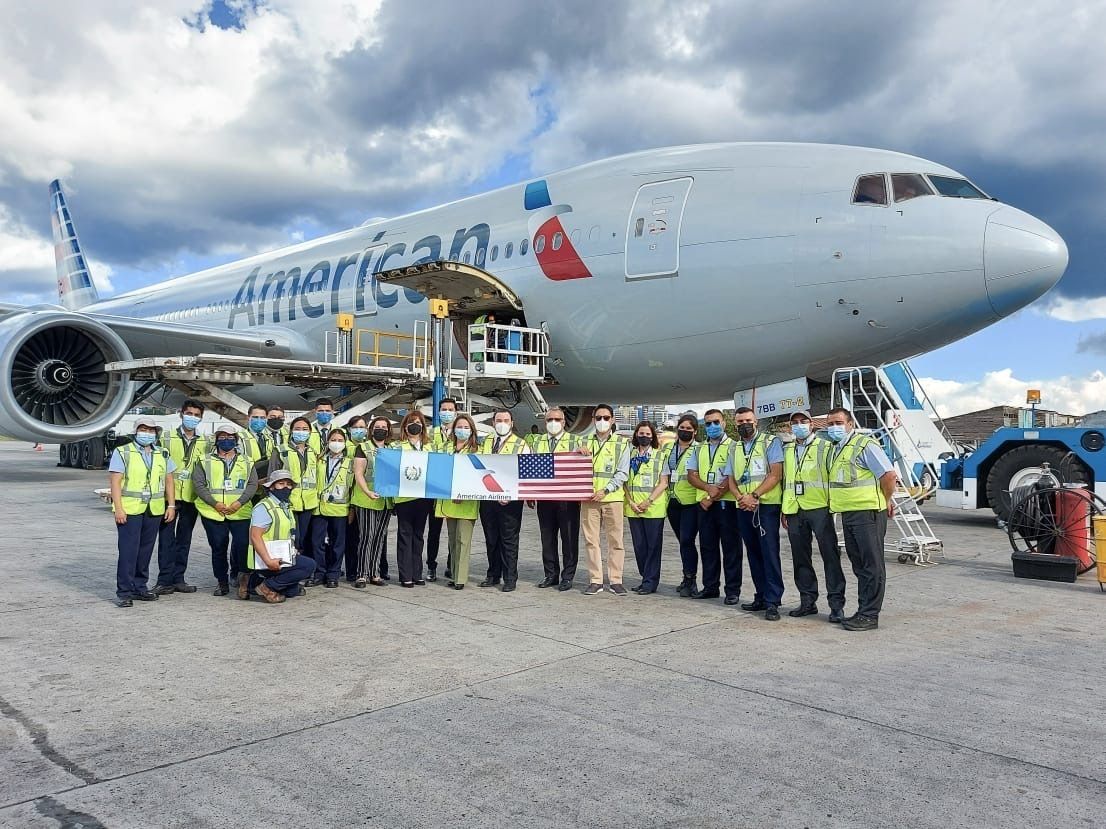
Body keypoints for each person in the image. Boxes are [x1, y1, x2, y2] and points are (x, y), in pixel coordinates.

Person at [825, 407, 899, 631]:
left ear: (850, 425)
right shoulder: (838, 449)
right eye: (830, 424)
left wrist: (884, 500)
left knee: (872, 565)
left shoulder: (865, 445)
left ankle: (869, 615)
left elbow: (888, 476)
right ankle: (863, 609)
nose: (834, 427)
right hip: (849, 513)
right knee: (859, 565)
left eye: (838, 422)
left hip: (868, 513)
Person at [782, 411, 846, 622]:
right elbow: (786, 480)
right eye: (795, 423)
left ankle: (836, 605)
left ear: (811, 424)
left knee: (830, 556)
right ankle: (807, 600)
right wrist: (785, 509)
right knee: (801, 558)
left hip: (820, 508)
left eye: (803, 422)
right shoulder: (788, 449)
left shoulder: (824, 447)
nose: (799, 425)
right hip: (794, 509)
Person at [724, 407, 785, 621]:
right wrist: (741, 497)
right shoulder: (734, 447)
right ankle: (760, 596)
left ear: (756, 421)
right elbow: (730, 478)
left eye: (748, 420)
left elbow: (775, 474)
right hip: (743, 506)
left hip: (765, 506)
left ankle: (773, 601)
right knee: (753, 553)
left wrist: (754, 496)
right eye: (740, 422)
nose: (744, 424)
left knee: (769, 554)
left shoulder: (770, 442)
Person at [109, 417, 176, 607]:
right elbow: (115, 481)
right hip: (130, 509)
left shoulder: (162, 453)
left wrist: (171, 505)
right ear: (136, 431)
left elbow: (169, 480)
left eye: (151, 430)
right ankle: (124, 592)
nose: (147, 433)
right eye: (143, 429)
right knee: (129, 551)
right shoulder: (123, 452)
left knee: (145, 550)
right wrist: (118, 508)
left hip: (153, 508)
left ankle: (140, 586)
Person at [193, 422, 257, 598]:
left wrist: (240, 502)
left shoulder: (246, 460)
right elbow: (198, 484)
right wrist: (215, 503)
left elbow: (252, 484)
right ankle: (222, 582)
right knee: (219, 547)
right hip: (213, 512)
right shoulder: (204, 460)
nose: (226, 440)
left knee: (244, 546)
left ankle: (244, 580)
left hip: (240, 511)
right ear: (216, 440)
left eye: (230, 437)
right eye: (222, 437)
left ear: (236, 440)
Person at [153, 399, 206, 595]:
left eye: (196, 415)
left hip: (191, 497)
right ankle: (164, 580)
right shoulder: (166, 438)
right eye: (189, 413)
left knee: (184, 540)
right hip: (169, 498)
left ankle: (179, 579)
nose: (192, 418)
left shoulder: (205, 442)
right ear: (181, 414)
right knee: (166, 539)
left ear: (201, 418)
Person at [685, 408, 738, 603]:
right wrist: (708, 489)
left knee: (731, 548)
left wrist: (713, 495)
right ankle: (710, 586)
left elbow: (732, 476)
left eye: (716, 422)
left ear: (724, 423)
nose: (712, 426)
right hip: (704, 505)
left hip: (727, 503)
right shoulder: (698, 448)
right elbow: (691, 475)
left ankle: (732, 590)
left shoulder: (734, 446)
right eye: (708, 423)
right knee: (708, 547)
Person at [580, 404, 630, 595]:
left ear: (613, 420)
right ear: (593, 420)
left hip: (612, 498)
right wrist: (578, 452)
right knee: (591, 540)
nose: (602, 421)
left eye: (606, 418)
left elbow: (622, 472)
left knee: (615, 541)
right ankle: (596, 580)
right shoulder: (585, 442)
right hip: (588, 498)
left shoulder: (622, 443)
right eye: (599, 417)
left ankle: (616, 580)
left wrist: (605, 490)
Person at [478, 409, 529, 592]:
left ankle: (510, 577)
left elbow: (525, 474)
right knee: (491, 539)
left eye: (505, 420)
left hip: (510, 500)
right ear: (493, 423)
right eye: (499, 420)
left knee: (509, 540)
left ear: (512, 423)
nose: (502, 423)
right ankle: (493, 574)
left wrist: (509, 494)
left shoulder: (521, 444)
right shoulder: (486, 441)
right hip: (488, 498)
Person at [247, 470, 316, 603]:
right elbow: (255, 537)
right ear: (271, 487)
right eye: (281, 484)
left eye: (288, 484)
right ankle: (266, 586)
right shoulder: (264, 507)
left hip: (282, 555)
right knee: (309, 566)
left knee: (292, 591)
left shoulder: (285, 505)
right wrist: (268, 561)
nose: (285, 487)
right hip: (266, 559)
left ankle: (252, 583)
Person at [531, 407, 581, 591]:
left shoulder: (576, 441)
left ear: (563, 422)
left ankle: (567, 576)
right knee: (547, 539)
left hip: (567, 499)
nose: (553, 422)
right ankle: (550, 574)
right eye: (550, 419)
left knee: (569, 539)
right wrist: (530, 493)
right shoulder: (538, 442)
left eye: (557, 419)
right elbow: (530, 467)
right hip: (544, 498)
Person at [624, 421, 670, 594]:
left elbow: (663, 482)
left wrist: (648, 501)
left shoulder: (660, 456)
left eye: (648, 434)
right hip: (634, 508)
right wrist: (631, 502)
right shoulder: (630, 455)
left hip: (653, 508)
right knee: (639, 546)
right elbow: (625, 483)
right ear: (636, 435)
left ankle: (650, 582)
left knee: (653, 547)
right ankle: (645, 578)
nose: (644, 437)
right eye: (641, 433)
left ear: (653, 437)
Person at [437, 413, 481, 589]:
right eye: (459, 427)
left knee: (463, 540)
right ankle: (454, 575)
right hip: (448, 501)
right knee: (453, 540)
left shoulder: (476, 450)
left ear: (471, 430)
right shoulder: (446, 448)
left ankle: (461, 579)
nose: (462, 430)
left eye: (466, 427)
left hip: (466, 502)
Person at [269, 416, 320, 567]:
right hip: (288, 502)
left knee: (303, 539)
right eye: (297, 429)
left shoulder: (313, 452)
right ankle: (287, 569)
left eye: (305, 429)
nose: (301, 432)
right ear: (291, 431)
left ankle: (301, 567)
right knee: (290, 538)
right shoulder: (281, 450)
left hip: (308, 503)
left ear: (310, 432)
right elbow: (272, 476)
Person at [350, 416, 393, 588]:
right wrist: (367, 491)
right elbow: (358, 472)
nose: (381, 429)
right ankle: (362, 574)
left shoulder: (392, 449)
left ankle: (374, 573)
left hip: (385, 500)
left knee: (379, 537)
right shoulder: (363, 447)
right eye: (377, 426)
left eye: (384, 426)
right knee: (367, 536)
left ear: (388, 430)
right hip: (366, 498)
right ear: (371, 429)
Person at [392, 410, 432, 587]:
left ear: (422, 426)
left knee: (419, 536)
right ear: (405, 427)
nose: (414, 425)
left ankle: (417, 573)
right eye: (410, 423)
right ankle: (405, 575)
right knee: (405, 534)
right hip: (404, 498)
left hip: (423, 497)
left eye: (417, 422)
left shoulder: (429, 447)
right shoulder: (396, 447)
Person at [310, 426, 352, 589]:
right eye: (333, 440)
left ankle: (333, 574)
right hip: (319, 508)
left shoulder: (349, 462)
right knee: (316, 542)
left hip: (340, 509)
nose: (336, 443)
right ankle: (319, 573)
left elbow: (353, 486)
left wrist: (352, 510)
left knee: (337, 544)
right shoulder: (319, 460)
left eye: (340, 440)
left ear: (345, 443)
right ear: (327, 442)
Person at [665, 414, 701, 597]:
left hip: (691, 502)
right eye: (682, 428)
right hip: (673, 501)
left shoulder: (699, 450)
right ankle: (686, 578)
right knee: (682, 542)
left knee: (687, 540)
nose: (684, 431)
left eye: (688, 429)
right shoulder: (669, 449)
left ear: (695, 431)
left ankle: (691, 579)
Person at [425, 397, 459, 581]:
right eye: (443, 409)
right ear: (438, 412)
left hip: (453, 488)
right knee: (434, 531)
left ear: (456, 412)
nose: (446, 412)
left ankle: (451, 564)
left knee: (454, 530)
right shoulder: (431, 433)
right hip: (434, 488)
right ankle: (431, 565)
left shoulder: (461, 432)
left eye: (450, 409)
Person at [343, 415, 371, 582]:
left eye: (362, 427)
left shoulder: (368, 447)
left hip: (365, 496)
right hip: (349, 497)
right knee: (351, 537)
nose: (360, 430)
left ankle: (369, 568)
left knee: (367, 536)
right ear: (350, 429)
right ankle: (351, 570)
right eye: (356, 427)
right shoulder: (345, 447)